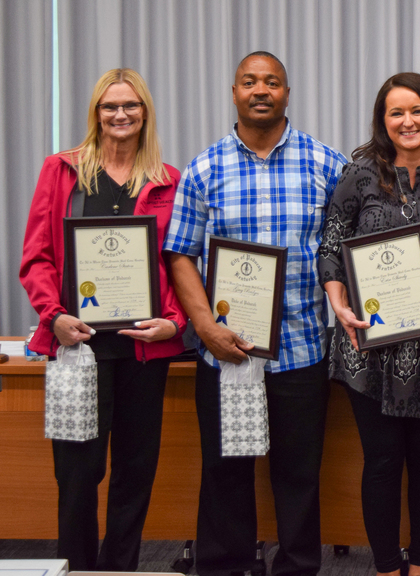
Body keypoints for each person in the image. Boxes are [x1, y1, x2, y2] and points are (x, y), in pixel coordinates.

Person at [163, 51, 346, 576]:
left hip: (301, 351)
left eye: (272, 82)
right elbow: (180, 254)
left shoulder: (327, 164)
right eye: (250, 81)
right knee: (225, 472)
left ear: (287, 93)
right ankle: (226, 566)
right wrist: (204, 327)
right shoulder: (204, 168)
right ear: (235, 92)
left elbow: (356, 242)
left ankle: (297, 567)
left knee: (299, 475)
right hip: (226, 353)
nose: (260, 90)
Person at [20, 68, 185, 571]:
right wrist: (53, 316)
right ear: (96, 113)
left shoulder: (167, 180)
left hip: (143, 350)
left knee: (135, 473)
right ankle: (76, 567)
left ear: (144, 113)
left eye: (130, 105)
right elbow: (36, 257)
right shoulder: (62, 171)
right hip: (77, 348)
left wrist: (174, 322)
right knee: (77, 473)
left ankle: (118, 569)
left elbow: (182, 264)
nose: (120, 114)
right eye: (110, 106)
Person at [317, 72, 420, 576]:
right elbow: (331, 245)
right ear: (383, 120)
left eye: (417, 110)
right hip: (368, 343)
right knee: (381, 459)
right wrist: (337, 300)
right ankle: (386, 567)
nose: (407, 121)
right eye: (396, 112)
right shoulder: (359, 175)